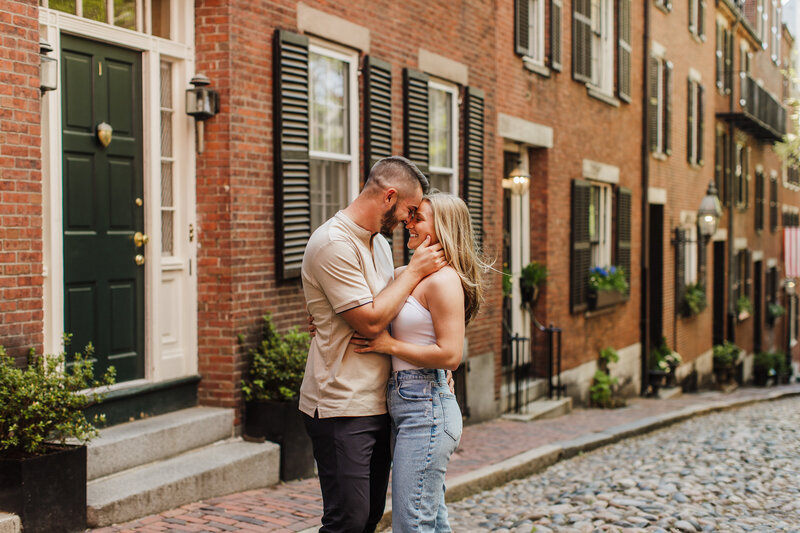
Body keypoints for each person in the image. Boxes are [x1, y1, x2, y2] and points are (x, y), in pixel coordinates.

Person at [299, 156, 446, 533]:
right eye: (409, 210)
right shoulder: (333, 242)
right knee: (346, 520)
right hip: (340, 404)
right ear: (389, 197)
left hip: (378, 401)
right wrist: (414, 270)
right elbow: (371, 319)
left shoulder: (378, 243)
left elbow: (389, 303)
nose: (409, 221)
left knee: (366, 517)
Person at [352, 192, 486, 532]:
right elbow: (364, 305)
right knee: (431, 521)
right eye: (411, 216)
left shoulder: (444, 282)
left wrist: (388, 344)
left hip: (426, 406)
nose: (408, 223)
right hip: (406, 404)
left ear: (441, 229)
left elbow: (451, 355)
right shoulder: (406, 274)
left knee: (412, 523)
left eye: (418, 218)